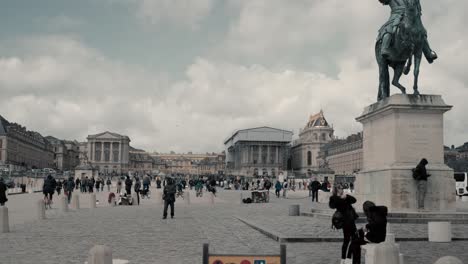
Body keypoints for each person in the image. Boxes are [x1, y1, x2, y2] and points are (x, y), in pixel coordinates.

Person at [329, 186, 358, 264]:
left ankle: (347, 257)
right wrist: (341, 198)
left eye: (342, 188)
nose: (342, 189)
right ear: (337, 190)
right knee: (347, 240)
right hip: (345, 222)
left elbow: (354, 200)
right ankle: (344, 258)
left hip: (351, 220)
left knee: (354, 239)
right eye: (340, 188)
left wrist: (347, 196)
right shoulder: (333, 198)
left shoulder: (346, 197)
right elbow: (332, 206)